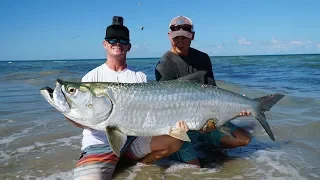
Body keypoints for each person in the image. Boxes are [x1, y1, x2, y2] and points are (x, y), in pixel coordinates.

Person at [67, 16, 186, 180]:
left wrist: (176, 122)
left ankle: (140, 167)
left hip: (132, 142)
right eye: (112, 39)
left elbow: (149, 113)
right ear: (105, 44)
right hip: (99, 145)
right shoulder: (91, 78)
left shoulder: (139, 77)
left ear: (129, 46)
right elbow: (82, 116)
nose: (117, 43)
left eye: (122, 40)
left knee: (175, 141)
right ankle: (113, 164)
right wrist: (68, 112)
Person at [155, 16, 252, 167]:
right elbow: (167, 107)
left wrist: (231, 109)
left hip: (206, 119)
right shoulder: (164, 65)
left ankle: (206, 143)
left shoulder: (203, 58)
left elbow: (212, 90)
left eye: (184, 38)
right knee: (195, 169)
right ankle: (194, 144)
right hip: (181, 127)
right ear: (169, 36)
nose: (180, 41)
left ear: (192, 36)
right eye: (176, 38)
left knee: (244, 139)